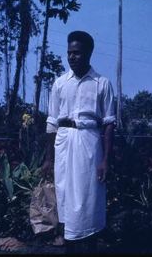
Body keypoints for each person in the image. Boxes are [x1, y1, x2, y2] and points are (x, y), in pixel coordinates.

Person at [41, 30, 116, 253]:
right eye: (69, 53)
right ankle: (69, 246)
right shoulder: (60, 83)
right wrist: (48, 159)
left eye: (77, 53)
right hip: (64, 142)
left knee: (89, 195)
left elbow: (109, 123)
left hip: (89, 141)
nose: (72, 57)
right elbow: (52, 122)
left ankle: (91, 245)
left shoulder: (102, 83)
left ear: (88, 53)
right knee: (65, 194)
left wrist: (105, 160)